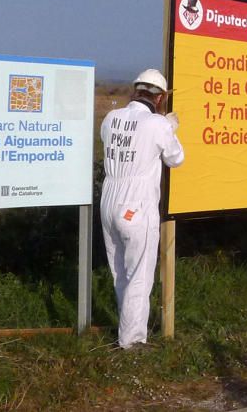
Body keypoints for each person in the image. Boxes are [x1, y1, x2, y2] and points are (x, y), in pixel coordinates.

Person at [100, 69, 184, 349]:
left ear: (136, 90)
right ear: (159, 98)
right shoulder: (157, 124)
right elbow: (176, 158)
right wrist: (170, 128)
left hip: (109, 198)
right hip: (136, 203)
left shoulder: (112, 118)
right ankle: (132, 341)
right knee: (139, 274)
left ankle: (126, 330)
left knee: (120, 272)